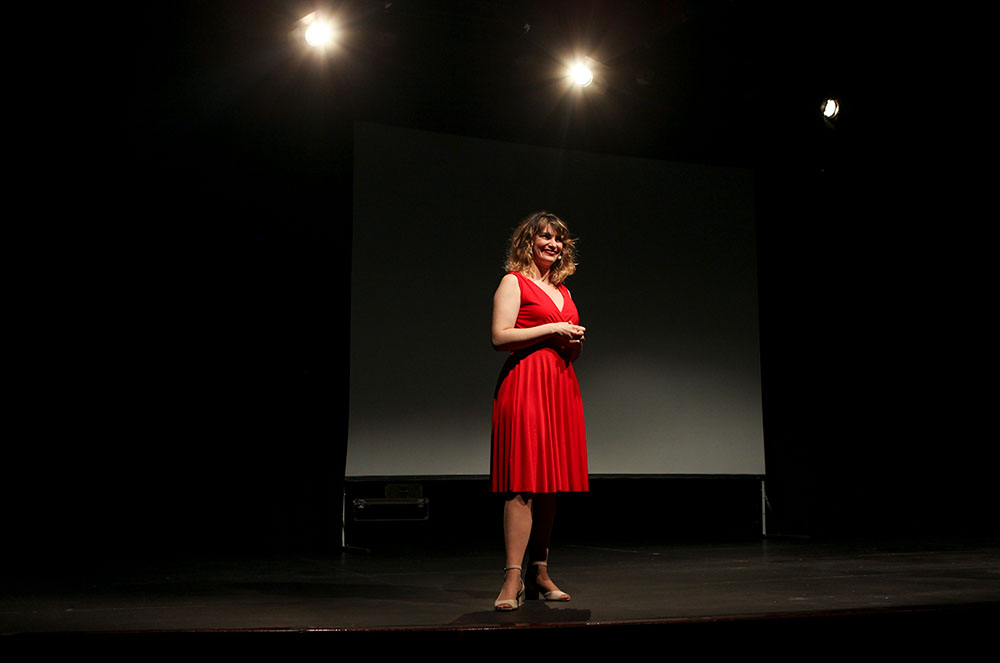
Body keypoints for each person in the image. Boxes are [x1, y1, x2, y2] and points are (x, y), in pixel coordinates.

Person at [490, 211, 589, 611]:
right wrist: (553, 329)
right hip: (526, 385)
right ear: (528, 242)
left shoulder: (564, 291)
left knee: (550, 484)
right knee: (523, 482)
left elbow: (568, 350)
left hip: (559, 386)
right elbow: (500, 337)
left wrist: (573, 342)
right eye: (545, 237)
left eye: (559, 239)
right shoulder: (513, 282)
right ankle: (512, 577)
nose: (553, 244)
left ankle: (539, 572)